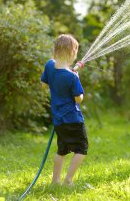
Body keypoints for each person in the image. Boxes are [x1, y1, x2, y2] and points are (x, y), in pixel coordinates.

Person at [40, 34, 87, 185]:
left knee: (62, 150)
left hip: (58, 119)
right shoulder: (72, 77)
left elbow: (44, 84)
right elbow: (78, 99)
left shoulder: (49, 65)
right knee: (81, 148)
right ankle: (68, 180)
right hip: (73, 119)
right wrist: (77, 77)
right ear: (72, 53)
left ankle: (55, 181)